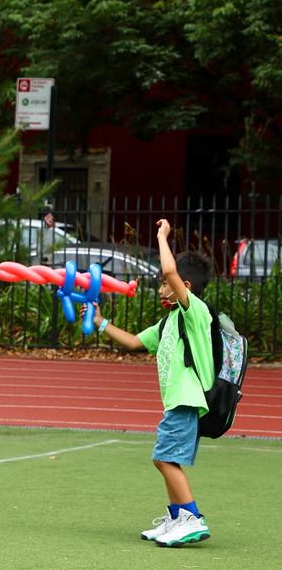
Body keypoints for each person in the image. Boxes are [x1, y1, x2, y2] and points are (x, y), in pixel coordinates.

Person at [93, 219, 214, 547]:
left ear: (183, 286)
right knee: (166, 458)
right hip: (177, 401)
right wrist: (101, 322)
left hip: (186, 399)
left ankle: (190, 517)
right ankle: (177, 516)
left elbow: (172, 273)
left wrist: (162, 236)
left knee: (163, 458)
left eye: (164, 284)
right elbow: (133, 342)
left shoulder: (194, 311)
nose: (161, 287)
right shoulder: (169, 321)